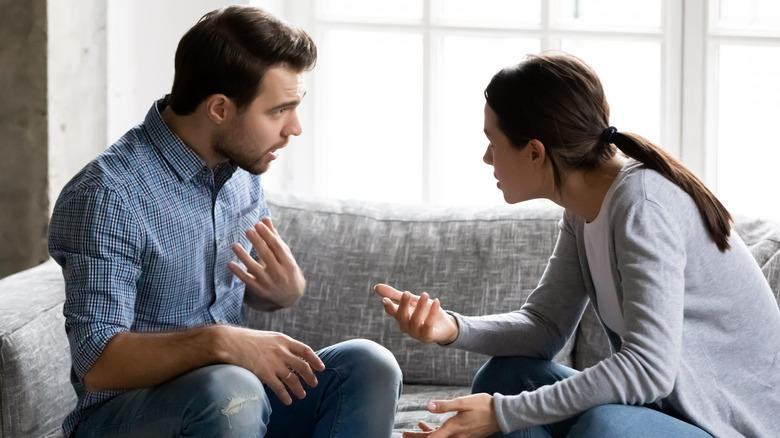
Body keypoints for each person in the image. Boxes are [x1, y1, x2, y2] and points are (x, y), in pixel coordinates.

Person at [375, 51, 780, 438]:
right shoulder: (581, 208)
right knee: (506, 377)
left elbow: (647, 369)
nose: (486, 158)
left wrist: (502, 414)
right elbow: (544, 328)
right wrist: (452, 328)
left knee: (606, 429)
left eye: (492, 142)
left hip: (727, 429)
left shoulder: (642, 206)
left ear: (534, 152)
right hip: (668, 416)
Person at [48, 6, 401, 438]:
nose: (295, 128)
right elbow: (98, 363)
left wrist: (281, 293)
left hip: (233, 406)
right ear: (219, 108)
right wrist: (221, 342)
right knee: (231, 388)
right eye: (279, 111)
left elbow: (234, 288)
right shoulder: (107, 195)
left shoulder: (240, 171)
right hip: (129, 417)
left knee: (368, 365)